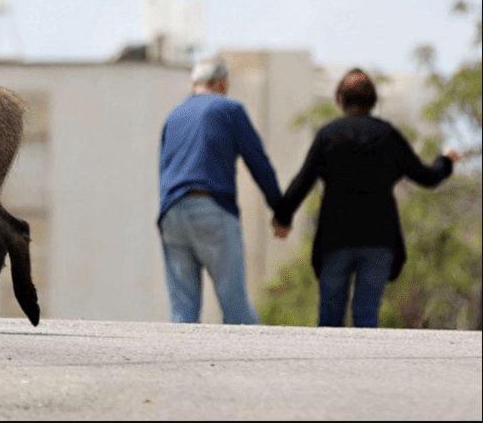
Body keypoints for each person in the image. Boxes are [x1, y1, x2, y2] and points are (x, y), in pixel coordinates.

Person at [272, 68, 460, 328]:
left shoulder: (328, 135)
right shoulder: (388, 135)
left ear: (340, 99)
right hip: (379, 239)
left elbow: (303, 181)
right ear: (373, 101)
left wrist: (282, 219)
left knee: (330, 317)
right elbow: (426, 176)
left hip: (335, 238)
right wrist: (445, 162)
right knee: (366, 315)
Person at [158, 56, 284, 324]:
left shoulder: (173, 116)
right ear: (222, 84)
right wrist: (281, 211)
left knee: (183, 313)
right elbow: (258, 162)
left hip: (171, 214)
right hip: (211, 210)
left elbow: (165, 168)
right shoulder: (229, 109)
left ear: (193, 85)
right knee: (236, 310)